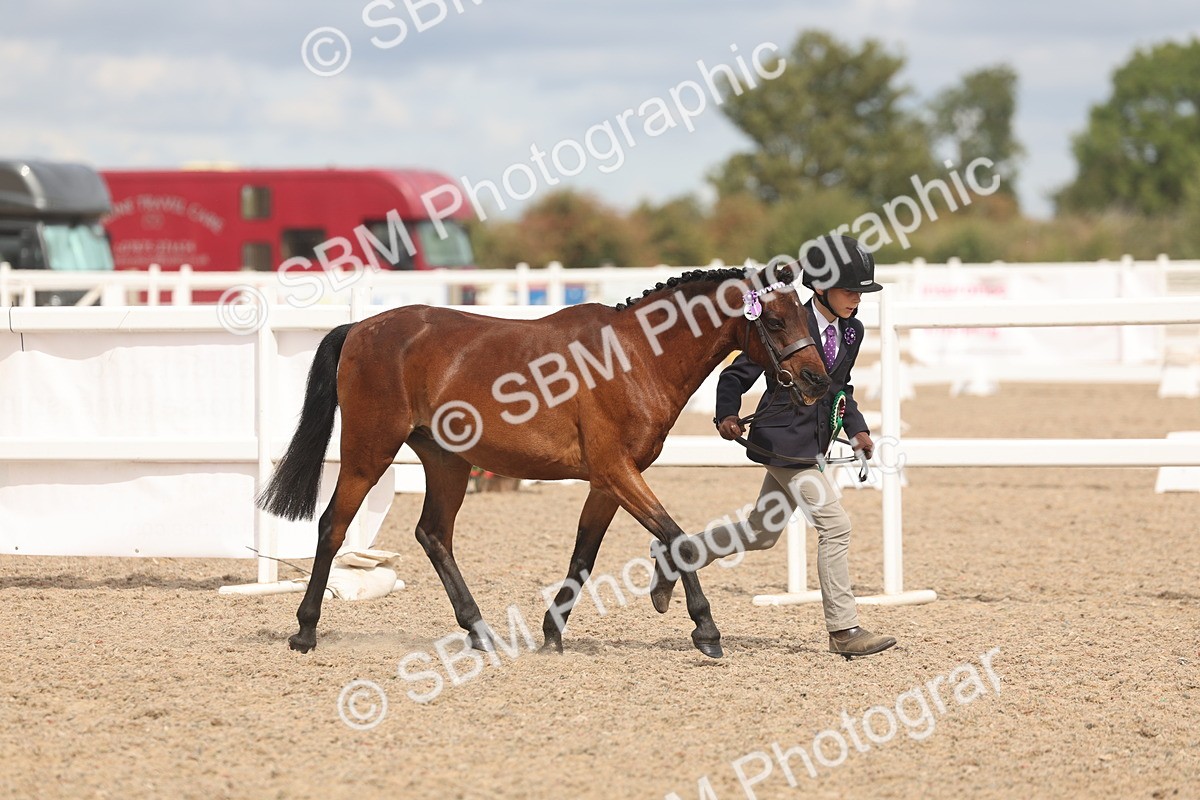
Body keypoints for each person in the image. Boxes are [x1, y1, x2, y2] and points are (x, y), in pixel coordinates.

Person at [650, 234, 897, 659]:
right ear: (820, 287)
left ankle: (680, 553)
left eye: (861, 292)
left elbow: (841, 387)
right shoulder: (784, 322)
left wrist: (856, 429)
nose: (857, 300)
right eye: (850, 290)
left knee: (760, 533)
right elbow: (734, 376)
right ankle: (844, 629)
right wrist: (726, 414)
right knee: (835, 526)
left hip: (813, 444)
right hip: (784, 442)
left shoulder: (852, 331)